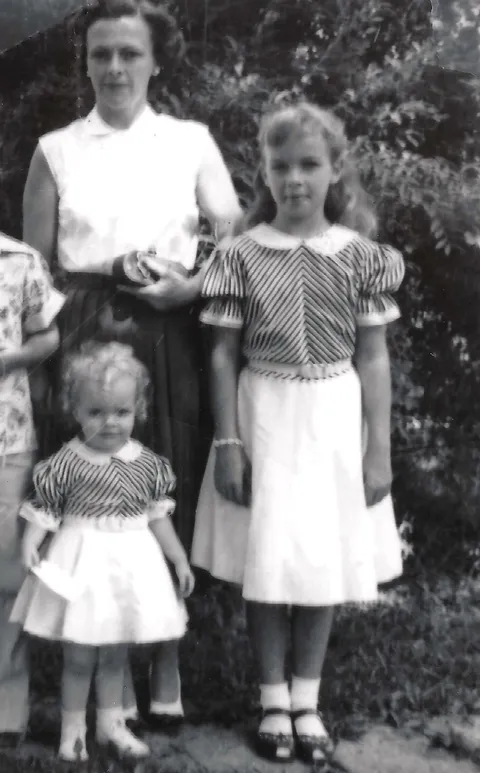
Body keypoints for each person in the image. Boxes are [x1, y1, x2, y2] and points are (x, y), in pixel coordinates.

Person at [22, 0, 242, 728]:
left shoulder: (189, 140)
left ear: (155, 61)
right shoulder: (56, 148)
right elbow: (34, 267)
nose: (115, 68)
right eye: (100, 53)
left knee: (160, 483)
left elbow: (232, 236)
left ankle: (167, 660)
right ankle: (84, 657)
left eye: (129, 53)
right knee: (85, 491)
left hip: (167, 327)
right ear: (85, 61)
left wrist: (193, 283)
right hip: (84, 330)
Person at [191, 102, 405, 764]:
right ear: (265, 171)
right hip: (265, 414)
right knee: (269, 558)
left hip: (333, 417)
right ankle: (271, 699)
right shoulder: (239, 255)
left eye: (309, 165)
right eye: (281, 166)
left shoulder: (363, 257)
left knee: (319, 560)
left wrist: (378, 449)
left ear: (335, 170)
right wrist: (228, 440)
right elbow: (223, 353)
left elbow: (373, 355)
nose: (295, 180)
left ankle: (307, 697)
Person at [11, 342, 194, 762]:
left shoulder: (147, 464)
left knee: (115, 652)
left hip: (131, 564)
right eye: (96, 412)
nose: (109, 423)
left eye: (121, 412)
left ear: (138, 410)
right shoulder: (65, 464)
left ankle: (111, 726)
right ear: (75, 411)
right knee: (78, 655)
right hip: (81, 564)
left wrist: (178, 558)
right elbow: (45, 511)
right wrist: (29, 543)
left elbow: (157, 515)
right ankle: (72, 731)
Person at [0, 232, 64, 747]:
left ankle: (7, 709)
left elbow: (48, 337)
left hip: (8, 439)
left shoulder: (20, 260)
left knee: (6, 577)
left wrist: (6, 361)